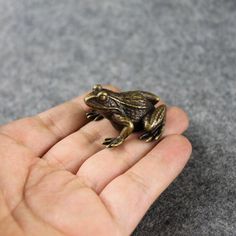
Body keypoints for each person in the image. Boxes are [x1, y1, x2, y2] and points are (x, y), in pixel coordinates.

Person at [0, 86, 192, 236]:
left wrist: (119, 139)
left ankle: (156, 127)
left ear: (108, 101)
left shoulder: (116, 112)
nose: (91, 99)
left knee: (149, 125)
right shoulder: (110, 109)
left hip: (143, 113)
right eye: (97, 94)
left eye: (100, 99)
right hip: (130, 100)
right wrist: (101, 111)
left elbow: (130, 125)